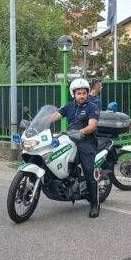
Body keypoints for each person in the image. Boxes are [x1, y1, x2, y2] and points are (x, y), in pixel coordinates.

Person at [49, 78, 101, 218]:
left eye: (84, 93)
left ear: (87, 93)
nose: (82, 95)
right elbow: (54, 116)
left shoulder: (92, 107)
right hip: (70, 139)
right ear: (74, 94)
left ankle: (95, 204)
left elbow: (92, 126)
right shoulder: (69, 106)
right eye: (79, 93)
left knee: (89, 170)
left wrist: (81, 132)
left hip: (87, 142)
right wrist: (37, 122)